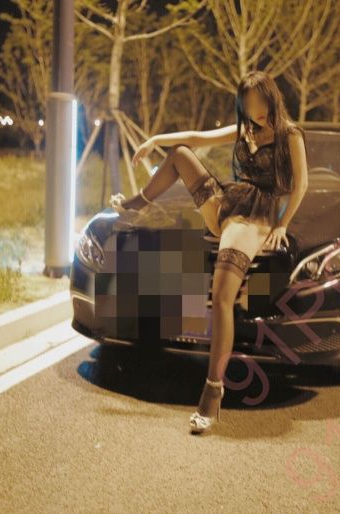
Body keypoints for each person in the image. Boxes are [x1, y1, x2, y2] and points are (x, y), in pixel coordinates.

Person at [110, 70, 309, 434]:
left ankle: (212, 392)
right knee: (180, 154)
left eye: (259, 102)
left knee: (220, 298)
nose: (255, 111)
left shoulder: (290, 134)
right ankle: (138, 202)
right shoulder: (244, 131)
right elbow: (196, 137)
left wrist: (282, 224)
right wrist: (154, 140)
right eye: (247, 105)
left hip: (255, 217)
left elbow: (301, 185)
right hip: (229, 204)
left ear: (271, 98)